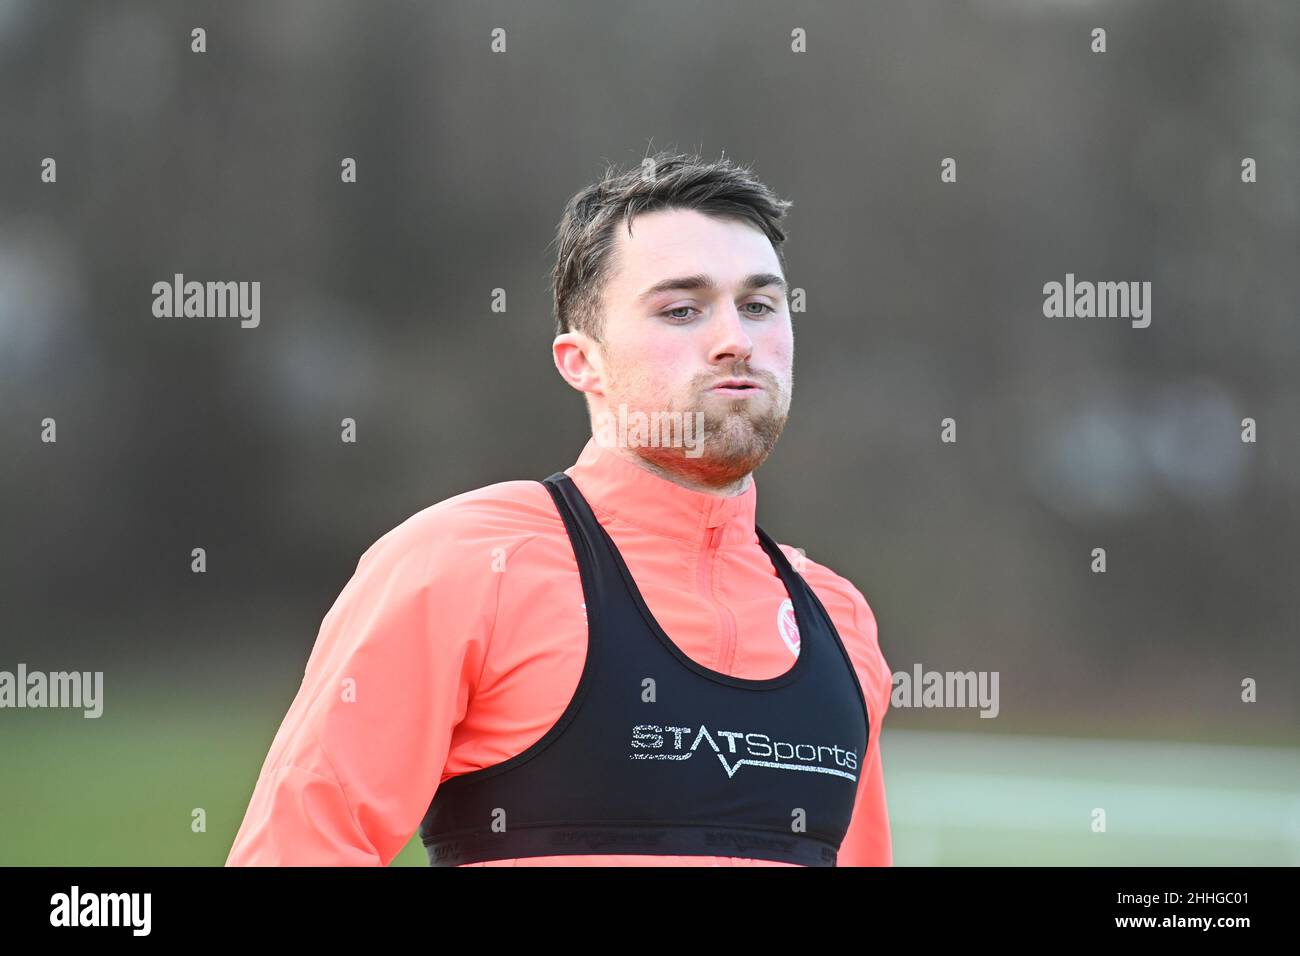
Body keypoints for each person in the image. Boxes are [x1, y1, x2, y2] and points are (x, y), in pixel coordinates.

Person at [226, 151, 894, 867]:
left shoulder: (839, 621)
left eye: (759, 305)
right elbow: (298, 849)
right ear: (582, 361)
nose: (736, 340)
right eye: (681, 309)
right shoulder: (466, 563)